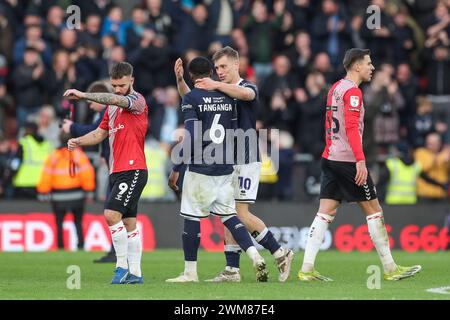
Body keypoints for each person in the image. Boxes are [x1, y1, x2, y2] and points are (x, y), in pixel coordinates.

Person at [297, 48, 421, 282]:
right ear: (356, 66)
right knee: (374, 211)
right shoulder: (353, 92)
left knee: (325, 212)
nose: (372, 67)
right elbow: (352, 128)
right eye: (368, 63)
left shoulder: (335, 87)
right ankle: (390, 268)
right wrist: (360, 160)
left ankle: (306, 269)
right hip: (347, 160)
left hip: (330, 156)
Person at [176, 46, 294, 283]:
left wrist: (216, 85)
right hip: (227, 160)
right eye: (216, 68)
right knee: (226, 213)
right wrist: (181, 80)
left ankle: (280, 252)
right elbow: (193, 98)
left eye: (223, 67)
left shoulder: (247, 86)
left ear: (236, 65)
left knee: (239, 213)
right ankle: (232, 269)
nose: (219, 72)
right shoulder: (218, 91)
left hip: (246, 157)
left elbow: (248, 96)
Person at [166, 56, 268, 283]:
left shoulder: (191, 98)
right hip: (225, 166)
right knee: (229, 216)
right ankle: (255, 255)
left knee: (192, 217)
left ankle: (190, 273)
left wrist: (176, 167)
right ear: (211, 72)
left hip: (201, 165)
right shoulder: (226, 96)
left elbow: (191, 135)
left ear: (192, 76)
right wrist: (180, 80)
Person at [64, 61, 148, 284]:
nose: (118, 89)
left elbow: (116, 99)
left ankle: (121, 268)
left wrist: (84, 95)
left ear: (131, 80)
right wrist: (78, 141)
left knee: (111, 215)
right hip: (117, 170)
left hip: (133, 168)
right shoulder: (111, 110)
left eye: (121, 85)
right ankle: (136, 274)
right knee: (129, 223)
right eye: (114, 85)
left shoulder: (137, 101)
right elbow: (99, 134)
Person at [62, 81, 116, 263]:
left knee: (114, 210)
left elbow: (95, 130)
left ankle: (117, 253)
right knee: (116, 211)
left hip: (118, 168)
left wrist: (72, 128)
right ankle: (116, 252)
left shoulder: (106, 111)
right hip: (115, 166)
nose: (91, 106)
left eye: (92, 101)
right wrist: (103, 153)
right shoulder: (110, 111)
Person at [37, 131, 95, 250]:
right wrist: (89, 191)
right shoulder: (78, 155)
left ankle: (60, 247)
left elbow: (46, 175)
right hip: (77, 195)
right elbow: (87, 173)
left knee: (59, 223)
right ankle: (81, 246)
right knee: (78, 222)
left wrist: (43, 192)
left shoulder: (53, 156)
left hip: (58, 196)